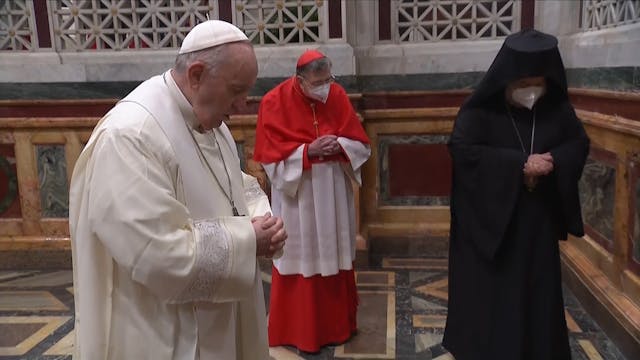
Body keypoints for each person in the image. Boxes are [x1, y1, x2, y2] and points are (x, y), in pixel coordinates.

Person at [69, 20, 287, 360]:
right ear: (197, 75)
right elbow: (155, 252)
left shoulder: (207, 118)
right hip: (163, 331)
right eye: (236, 90)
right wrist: (247, 239)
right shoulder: (130, 136)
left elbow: (232, 183)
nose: (244, 104)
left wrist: (263, 220)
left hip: (218, 320)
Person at [442, 29, 590, 359]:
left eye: (538, 83)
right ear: (506, 79)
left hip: (537, 221)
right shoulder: (479, 110)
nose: (531, 92)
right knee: (493, 303)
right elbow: (463, 151)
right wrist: (518, 165)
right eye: (523, 84)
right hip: (491, 226)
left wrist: (552, 163)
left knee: (536, 297)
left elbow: (578, 144)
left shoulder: (557, 108)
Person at [253, 50, 371, 352]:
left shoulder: (338, 95)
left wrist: (340, 145)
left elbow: (361, 144)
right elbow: (270, 162)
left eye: (328, 80)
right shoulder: (273, 102)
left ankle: (338, 326)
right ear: (300, 80)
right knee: (299, 258)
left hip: (331, 191)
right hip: (299, 196)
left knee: (334, 254)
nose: (324, 87)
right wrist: (307, 152)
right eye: (317, 82)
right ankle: (297, 330)